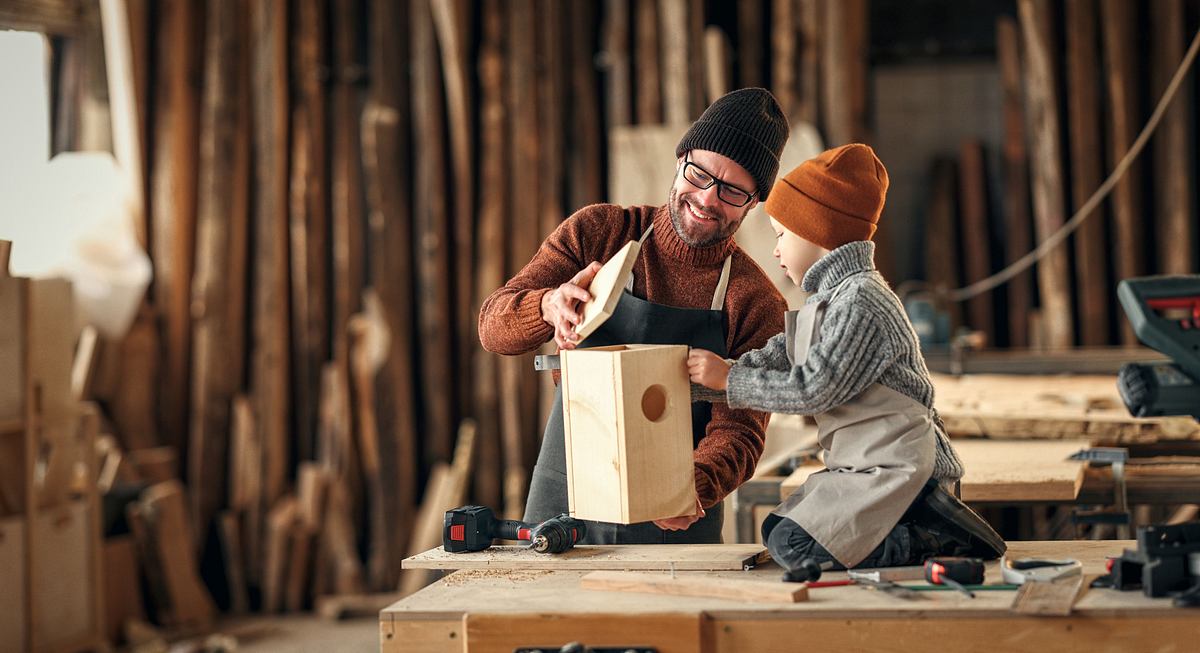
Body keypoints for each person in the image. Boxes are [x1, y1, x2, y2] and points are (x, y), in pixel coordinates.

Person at [478, 88, 790, 543]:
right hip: (566, 506)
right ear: (679, 159)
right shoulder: (597, 233)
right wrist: (547, 306)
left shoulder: (756, 301)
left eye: (732, 191)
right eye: (699, 174)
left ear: (755, 201)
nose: (707, 198)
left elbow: (740, 432)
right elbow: (493, 327)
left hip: (675, 520)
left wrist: (693, 487)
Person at [687, 143, 1006, 570]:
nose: (777, 251)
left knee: (796, 548)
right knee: (779, 532)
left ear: (817, 232)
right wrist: (695, 384)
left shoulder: (862, 301)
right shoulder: (828, 302)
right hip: (863, 466)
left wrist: (728, 379)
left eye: (782, 236)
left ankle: (936, 532)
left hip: (904, 473)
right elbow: (775, 357)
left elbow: (814, 390)